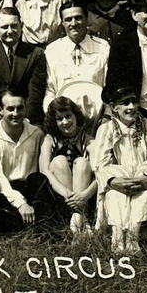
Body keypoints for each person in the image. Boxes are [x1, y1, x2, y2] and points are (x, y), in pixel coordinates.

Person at [90, 84, 147, 251]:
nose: (131, 107)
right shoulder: (106, 129)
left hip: (145, 182)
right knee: (114, 195)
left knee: (146, 194)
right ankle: (118, 238)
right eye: (125, 103)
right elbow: (100, 164)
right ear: (114, 107)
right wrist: (115, 180)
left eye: (134, 102)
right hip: (117, 184)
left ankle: (133, 236)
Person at [0, 88, 53, 233]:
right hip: (6, 192)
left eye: (20, 108)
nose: (16, 114)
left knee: (38, 179)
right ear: (0, 110)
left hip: (30, 190)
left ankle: (44, 230)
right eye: (10, 109)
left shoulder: (36, 134)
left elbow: (43, 169)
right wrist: (20, 204)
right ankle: (19, 230)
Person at [39, 95, 97, 234]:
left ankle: (77, 218)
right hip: (61, 196)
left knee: (82, 162)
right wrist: (68, 195)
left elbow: (100, 174)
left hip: (86, 197)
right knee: (59, 161)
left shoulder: (89, 141)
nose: (65, 122)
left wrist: (84, 195)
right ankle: (79, 219)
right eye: (59, 119)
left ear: (76, 116)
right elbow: (44, 170)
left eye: (68, 116)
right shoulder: (49, 140)